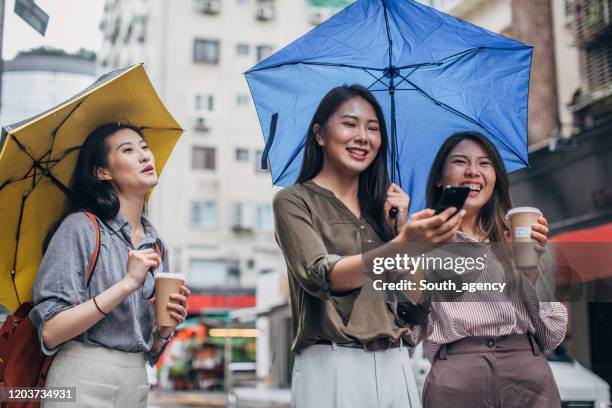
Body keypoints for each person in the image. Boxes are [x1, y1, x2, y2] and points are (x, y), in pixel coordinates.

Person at [273, 85, 464, 408]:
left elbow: (415, 304)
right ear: (320, 134)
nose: (363, 136)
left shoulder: (386, 213)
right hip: (332, 364)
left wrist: (402, 233)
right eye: (350, 124)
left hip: (396, 364)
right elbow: (321, 276)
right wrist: (401, 245)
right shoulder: (294, 201)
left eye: (373, 128)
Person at [30, 123, 190, 407]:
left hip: (135, 384)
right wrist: (127, 285)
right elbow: (51, 331)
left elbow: (150, 350)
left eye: (144, 147)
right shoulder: (80, 228)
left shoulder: (156, 244)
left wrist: (165, 329)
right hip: (81, 379)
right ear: (102, 172)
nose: (144, 156)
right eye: (128, 150)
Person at [418, 131, 567, 408]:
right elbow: (409, 332)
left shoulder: (522, 237)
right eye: (461, 162)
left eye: (484, 164)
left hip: (527, 374)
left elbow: (551, 335)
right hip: (457, 376)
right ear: (439, 179)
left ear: (496, 177)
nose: (473, 171)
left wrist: (529, 270)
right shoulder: (423, 245)